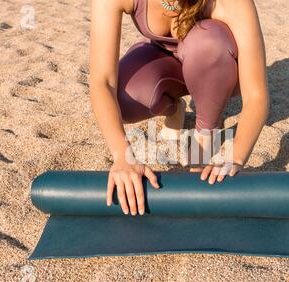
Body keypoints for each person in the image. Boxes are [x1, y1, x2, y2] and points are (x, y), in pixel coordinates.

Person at [90, 0, 269, 215]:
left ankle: (205, 132)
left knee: (207, 44)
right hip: (162, 61)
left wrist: (236, 157)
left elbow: (255, 95)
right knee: (122, 99)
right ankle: (174, 108)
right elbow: (103, 82)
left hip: (217, 65)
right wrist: (122, 156)